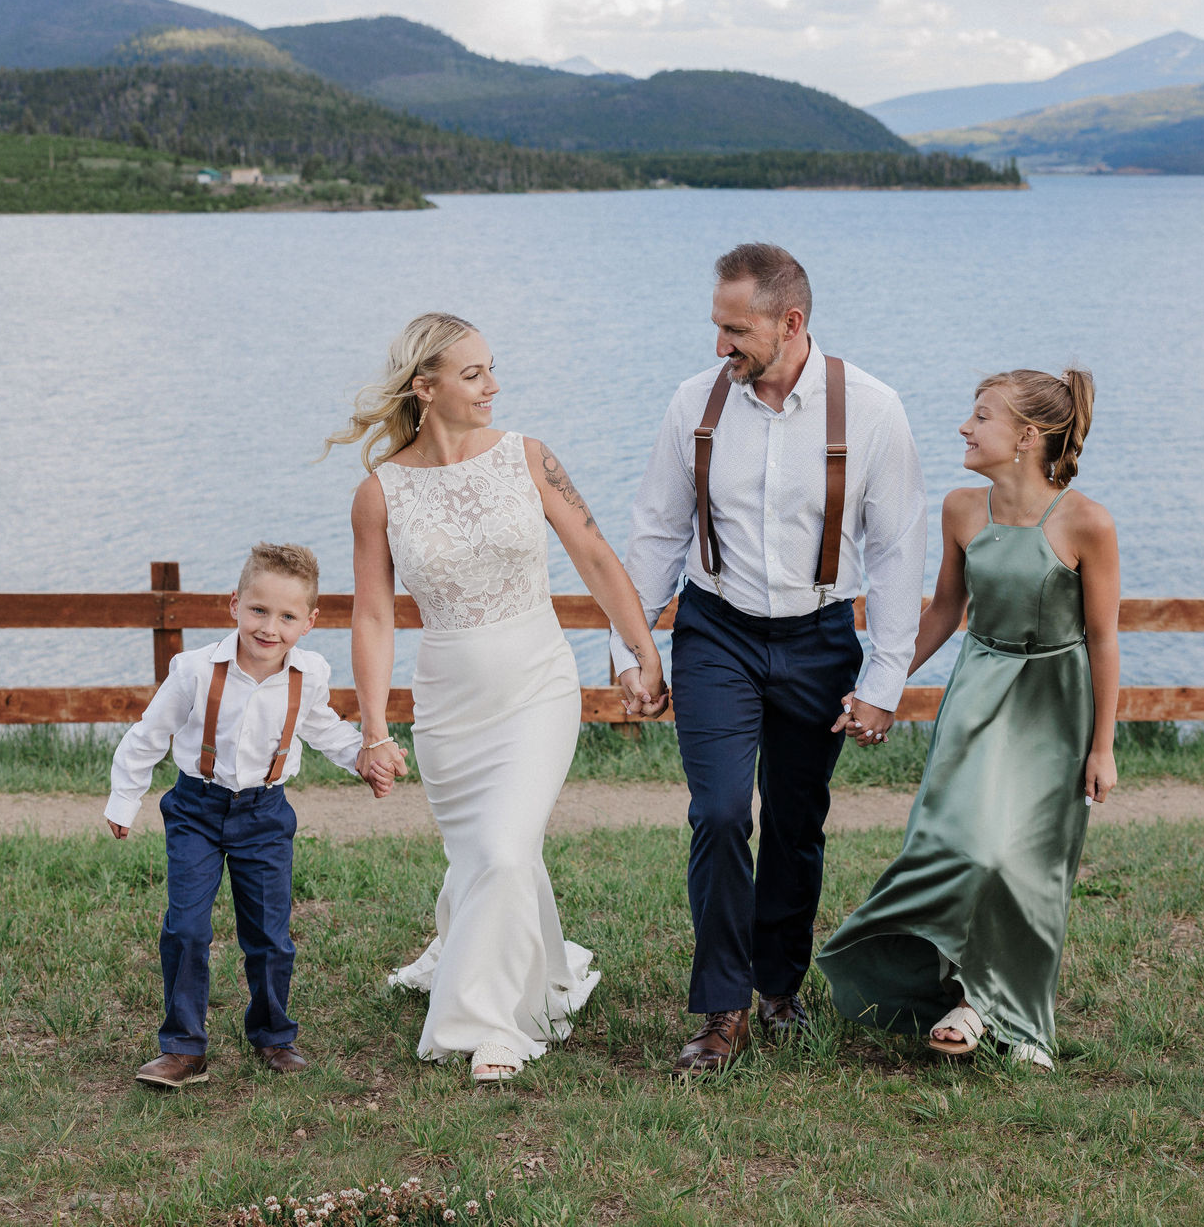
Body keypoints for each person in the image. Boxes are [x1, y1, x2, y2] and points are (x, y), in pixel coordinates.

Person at [609, 243, 928, 1075]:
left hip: (822, 640)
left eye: (735, 329)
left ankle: (779, 985)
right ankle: (721, 1008)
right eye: (716, 327)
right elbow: (655, 534)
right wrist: (633, 650)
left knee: (795, 821)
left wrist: (884, 680)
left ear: (791, 323)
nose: (720, 346)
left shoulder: (873, 409)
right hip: (716, 632)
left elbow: (897, 553)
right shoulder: (693, 404)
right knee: (717, 813)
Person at [335, 312, 666, 1083]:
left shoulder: (529, 458)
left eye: (492, 369)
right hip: (449, 699)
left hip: (537, 682)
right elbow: (374, 613)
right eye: (474, 373)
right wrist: (376, 727)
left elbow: (595, 553)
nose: (493, 386)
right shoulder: (379, 494)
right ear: (427, 387)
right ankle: (500, 950)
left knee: (508, 846)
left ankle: (489, 1027)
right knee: (484, 852)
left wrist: (640, 651)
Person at [815, 368, 1120, 1071]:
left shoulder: (1087, 523)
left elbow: (1103, 639)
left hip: (1055, 704)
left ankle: (1009, 1018)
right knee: (962, 846)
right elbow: (947, 612)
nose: (964, 427)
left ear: (1027, 437)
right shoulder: (961, 510)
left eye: (981, 416)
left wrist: (1102, 747)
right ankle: (925, 979)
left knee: (1028, 867)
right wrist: (878, 686)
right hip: (981, 695)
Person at [103, 543, 403, 1089]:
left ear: (310, 623)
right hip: (196, 807)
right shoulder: (195, 669)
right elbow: (148, 734)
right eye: (259, 610)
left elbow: (325, 727)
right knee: (186, 928)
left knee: (269, 933)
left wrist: (365, 755)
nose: (270, 627)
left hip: (265, 815)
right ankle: (183, 1048)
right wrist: (125, 798)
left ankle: (272, 1036)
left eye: (287, 616)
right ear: (234, 605)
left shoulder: (306, 675)